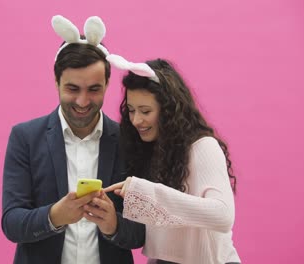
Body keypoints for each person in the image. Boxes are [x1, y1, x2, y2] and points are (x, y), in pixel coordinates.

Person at [1, 16, 144, 264]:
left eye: (94, 89)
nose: (82, 101)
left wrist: (113, 224)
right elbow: (11, 223)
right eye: (73, 89)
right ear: (56, 81)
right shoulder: (25, 138)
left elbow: (142, 232)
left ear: (107, 83)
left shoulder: (129, 141)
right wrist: (55, 216)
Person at [102, 55, 241, 264]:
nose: (136, 120)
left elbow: (223, 215)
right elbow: (162, 242)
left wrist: (148, 193)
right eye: (131, 111)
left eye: (146, 111)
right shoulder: (152, 152)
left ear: (168, 110)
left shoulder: (202, 146)